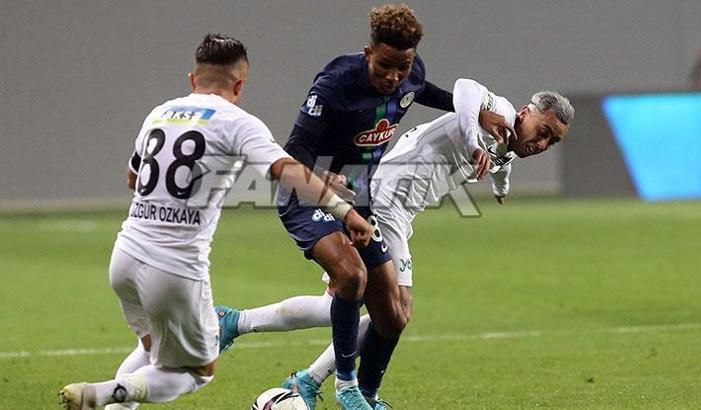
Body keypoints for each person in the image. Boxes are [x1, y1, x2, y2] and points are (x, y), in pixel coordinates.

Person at [57, 33, 373, 410]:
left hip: (124, 257)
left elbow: (132, 177)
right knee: (196, 372)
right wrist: (346, 211)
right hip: (173, 268)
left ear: (193, 79)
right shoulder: (238, 122)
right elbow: (287, 172)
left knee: (153, 354)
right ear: (239, 85)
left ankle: (109, 397)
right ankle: (104, 392)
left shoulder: (159, 113)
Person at [216, 78, 575, 409]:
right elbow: (465, 88)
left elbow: (502, 162)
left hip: (396, 208)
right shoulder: (502, 113)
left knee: (340, 305)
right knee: (396, 310)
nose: (542, 144)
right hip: (386, 203)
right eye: (543, 131)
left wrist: (501, 187)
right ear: (525, 113)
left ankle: (241, 326)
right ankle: (348, 389)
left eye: (552, 141)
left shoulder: (507, 145)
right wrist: (470, 139)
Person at [215, 4, 454, 409]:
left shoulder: (410, 74)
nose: (394, 77)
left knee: (392, 316)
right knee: (351, 276)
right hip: (308, 193)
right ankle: (347, 388)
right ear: (368, 52)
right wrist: (325, 179)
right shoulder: (334, 85)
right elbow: (295, 154)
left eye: (402, 67)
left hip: (359, 198)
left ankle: (364, 395)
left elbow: (420, 90)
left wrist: (471, 112)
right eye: (384, 66)